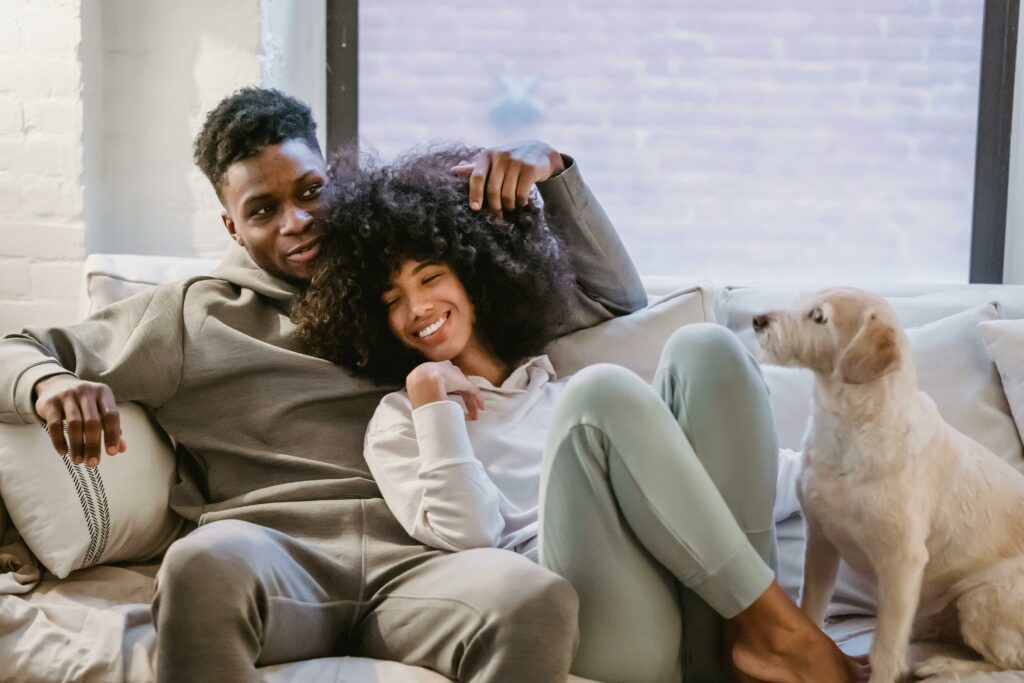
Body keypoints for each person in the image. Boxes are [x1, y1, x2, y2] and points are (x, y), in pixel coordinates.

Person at [0, 88, 648, 682]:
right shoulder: (188, 315)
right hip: (277, 559)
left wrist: (555, 173)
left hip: (422, 563)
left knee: (533, 596)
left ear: (333, 180)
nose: (296, 222)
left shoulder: (404, 287)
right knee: (201, 564)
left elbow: (614, 300)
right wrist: (46, 383)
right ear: (231, 225)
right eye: (262, 210)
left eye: (310, 191)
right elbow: (16, 349)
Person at [292, 146, 870, 683]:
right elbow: (469, 536)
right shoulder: (403, 418)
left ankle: (750, 639)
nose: (417, 308)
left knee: (707, 350)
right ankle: (779, 631)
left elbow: (731, 480)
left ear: (473, 273)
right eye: (391, 301)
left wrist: (866, 472)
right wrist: (431, 403)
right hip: (603, 622)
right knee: (601, 397)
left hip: (698, 604)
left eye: (430, 277)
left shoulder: (555, 388)